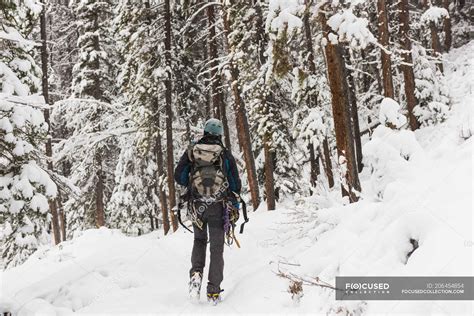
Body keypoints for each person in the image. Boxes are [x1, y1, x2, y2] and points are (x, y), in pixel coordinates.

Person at [174, 118, 241, 304]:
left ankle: (196, 274)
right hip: (218, 205)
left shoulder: (193, 151)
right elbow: (236, 184)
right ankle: (213, 291)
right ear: (220, 134)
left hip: (197, 206)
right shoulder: (224, 154)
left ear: (204, 131)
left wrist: (191, 182)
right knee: (216, 248)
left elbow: (178, 175)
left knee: (199, 240)